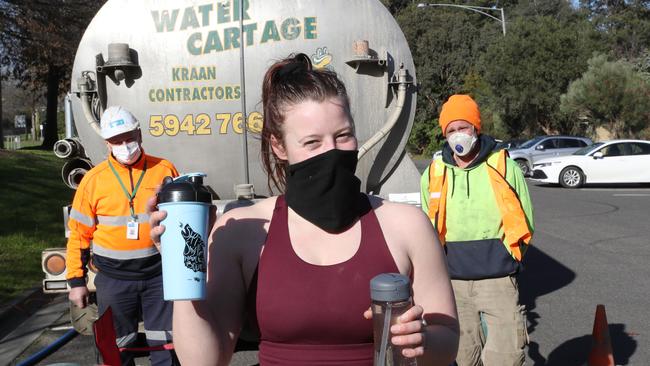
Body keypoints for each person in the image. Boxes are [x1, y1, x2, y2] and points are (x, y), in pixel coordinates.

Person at [149, 53, 459, 365]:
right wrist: (180, 265)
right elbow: (204, 361)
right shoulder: (243, 229)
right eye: (312, 143)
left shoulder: (407, 225)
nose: (332, 152)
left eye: (343, 136)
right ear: (279, 146)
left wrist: (421, 340)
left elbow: (446, 339)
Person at [419, 94, 534, 366]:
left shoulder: (503, 165)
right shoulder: (435, 172)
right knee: (461, 356)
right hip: (453, 283)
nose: (458, 135)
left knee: (506, 356)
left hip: (498, 280)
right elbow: (426, 226)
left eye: (464, 128)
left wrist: (510, 257)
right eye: (452, 130)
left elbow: (524, 219)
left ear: (476, 128)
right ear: (444, 134)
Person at [66, 106, 179, 365]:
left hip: (158, 276)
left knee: (167, 345)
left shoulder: (164, 169)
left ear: (139, 134)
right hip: (114, 281)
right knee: (117, 349)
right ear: (107, 143)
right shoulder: (93, 181)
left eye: (129, 137)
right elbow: (78, 236)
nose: (124, 145)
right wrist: (76, 282)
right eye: (117, 140)